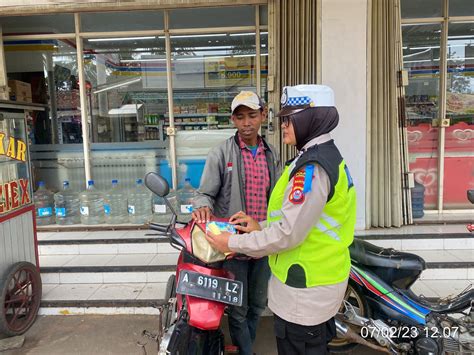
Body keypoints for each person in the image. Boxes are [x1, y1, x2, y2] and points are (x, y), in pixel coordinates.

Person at [204, 85, 356, 355]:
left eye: (290, 119)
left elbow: (288, 233)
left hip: (304, 289)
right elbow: (297, 221)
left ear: (312, 119)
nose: (283, 125)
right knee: (240, 310)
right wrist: (260, 226)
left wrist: (232, 241)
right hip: (313, 281)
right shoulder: (321, 158)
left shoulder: (311, 168)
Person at [192, 91, 281, 355]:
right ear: (233, 120)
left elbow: (275, 198)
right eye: (240, 117)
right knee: (239, 308)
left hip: (261, 241)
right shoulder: (221, 153)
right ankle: (246, 351)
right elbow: (204, 193)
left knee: (257, 304)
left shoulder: (270, 154)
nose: (246, 123)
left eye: (252, 115)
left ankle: (245, 347)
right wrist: (203, 206)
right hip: (233, 244)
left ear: (263, 116)